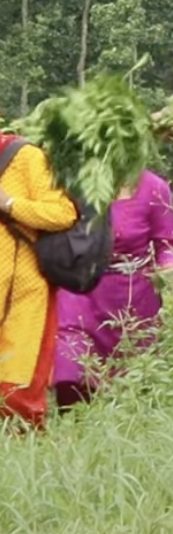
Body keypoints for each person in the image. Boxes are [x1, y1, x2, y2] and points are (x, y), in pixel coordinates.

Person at [53, 170, 173, 408]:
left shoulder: (154, 188)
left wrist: (168, 268)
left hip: (132, 294)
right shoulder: (72, 181)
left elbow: (167, 244)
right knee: (71, 357)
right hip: (81, 287)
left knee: (133, 375)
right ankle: (73, 423)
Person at [0, 135, 77, 426]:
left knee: (17, 387)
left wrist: (11, 204)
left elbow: (62, 213)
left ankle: (24, 458)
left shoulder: (24, 155)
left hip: (23, 295)